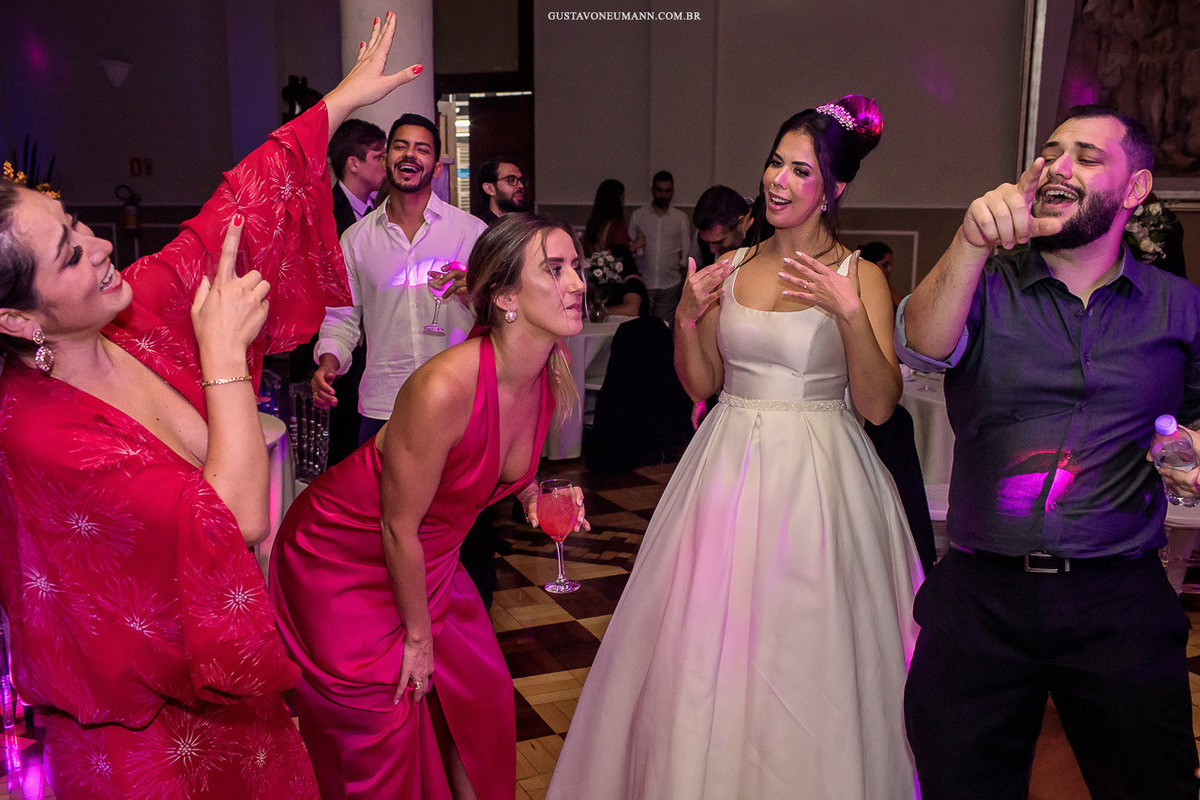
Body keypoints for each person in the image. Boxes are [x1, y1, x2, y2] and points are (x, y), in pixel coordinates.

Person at [0, 13, 419, 798]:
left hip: (236, 705)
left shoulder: (130, 313)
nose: (99, 245)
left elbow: (232, 216)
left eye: (78, 224)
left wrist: (337, 104)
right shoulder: (36, 429)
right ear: (18, 320)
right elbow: (233, 519)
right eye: (68, 253)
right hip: (139, 738)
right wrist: (226, 361)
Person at [549, 95, 922, 799]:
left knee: (809, 645)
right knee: (704, 644)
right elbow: (706, 384)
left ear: (834, 188)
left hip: (821, 479)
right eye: (775, 162)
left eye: (800, 169)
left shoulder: (860, 276)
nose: (779, 180)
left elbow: (877, 404)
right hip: (727, 468)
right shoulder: (735, 264)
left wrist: (848, 315)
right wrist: (689, 319)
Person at [899, 105, 1200, 799]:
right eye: (1052, 152)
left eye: (1088, 157)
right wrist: (971, 241)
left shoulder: (1180, 309)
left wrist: (1191, 453)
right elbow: (921, 342)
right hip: (981, 600)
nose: (1060, 167)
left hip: (1118, 599)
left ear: (1136, 189)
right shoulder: (984, 286)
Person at [271, 213, 588, 800]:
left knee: (481, 698)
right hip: (343, 557)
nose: (577, 282)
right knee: (384, 726)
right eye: (555, 269)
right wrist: (418, 641)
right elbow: (395, 526)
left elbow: (493, 464)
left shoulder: (549, 368)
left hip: (429, 558)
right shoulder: (443, 388)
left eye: (576, 266)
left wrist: (534, 496)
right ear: (508, 298)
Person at [311, 112, 487, 445]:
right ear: (389, 158)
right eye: (400, 146)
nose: (410, 154)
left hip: (456, 397)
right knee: (381, 497)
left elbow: (499, 311)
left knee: (452, 498)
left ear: (436, 166)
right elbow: (342, 318)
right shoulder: (356, 239)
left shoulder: (471, 232)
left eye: (422, 149)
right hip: (383, 402)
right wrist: (328, 363)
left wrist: (476, 294)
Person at [629, 170, 692, 322]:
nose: (663, 195)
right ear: (653, 191)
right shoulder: (638, 216)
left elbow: (686, 251)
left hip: (670, 284)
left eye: (667, 191)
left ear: (672, 192)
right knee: (641, 328)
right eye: (659, 190)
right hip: (644, 283)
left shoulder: (680, 218)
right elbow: (629, 247)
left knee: (664, 329)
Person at [330, 118, 387, 234]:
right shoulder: (328, 213)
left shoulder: (384, 205)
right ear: (353, 164)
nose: (387, 164)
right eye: (379, 158)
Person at [691, 184, 752, 268]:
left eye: (719, 242)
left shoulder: (766, 233)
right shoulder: (705, 233)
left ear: (741, 222)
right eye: (707, 242)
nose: (712, 250)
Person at [582, 178, 633, 258]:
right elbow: (619, 256)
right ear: (616, 201)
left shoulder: (593, 224)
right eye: (622, 198)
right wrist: (635, 246)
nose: (624, 202)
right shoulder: (617, 227)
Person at [475, 156, 526, 226]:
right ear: (489, 189)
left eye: (521, 181)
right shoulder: (479, 229)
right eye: (511, 180)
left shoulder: (526, 226)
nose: (521, 186)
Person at [858, 240, 903, 307]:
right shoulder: (859, 289)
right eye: (885, 265)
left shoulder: (890, 290)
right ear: (872, 264)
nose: (889, 270)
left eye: (890, 265)